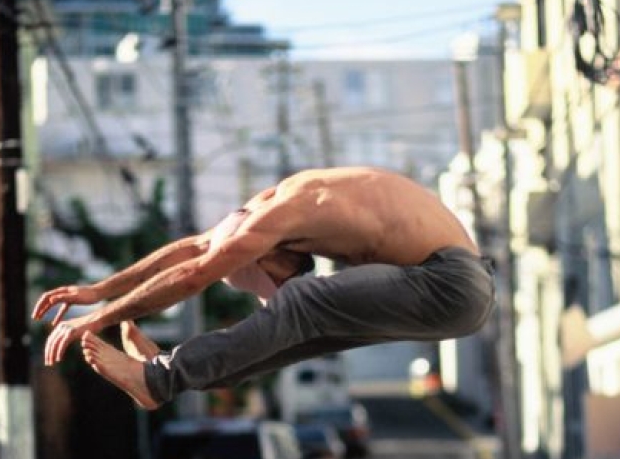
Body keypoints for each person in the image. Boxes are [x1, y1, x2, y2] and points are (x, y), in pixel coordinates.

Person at [32, 166, 495, 411]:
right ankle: (165, 379)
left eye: (267, 285)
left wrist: (97, 320)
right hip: (447, 289)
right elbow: (193, 250)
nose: (268, 297)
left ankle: (159, 379)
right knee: (297, 326)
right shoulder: (263, 213)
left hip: (452, 283)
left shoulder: (281, 215)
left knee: (302, 305)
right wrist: (98, 291)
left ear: (269, 253)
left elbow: (194, 277)